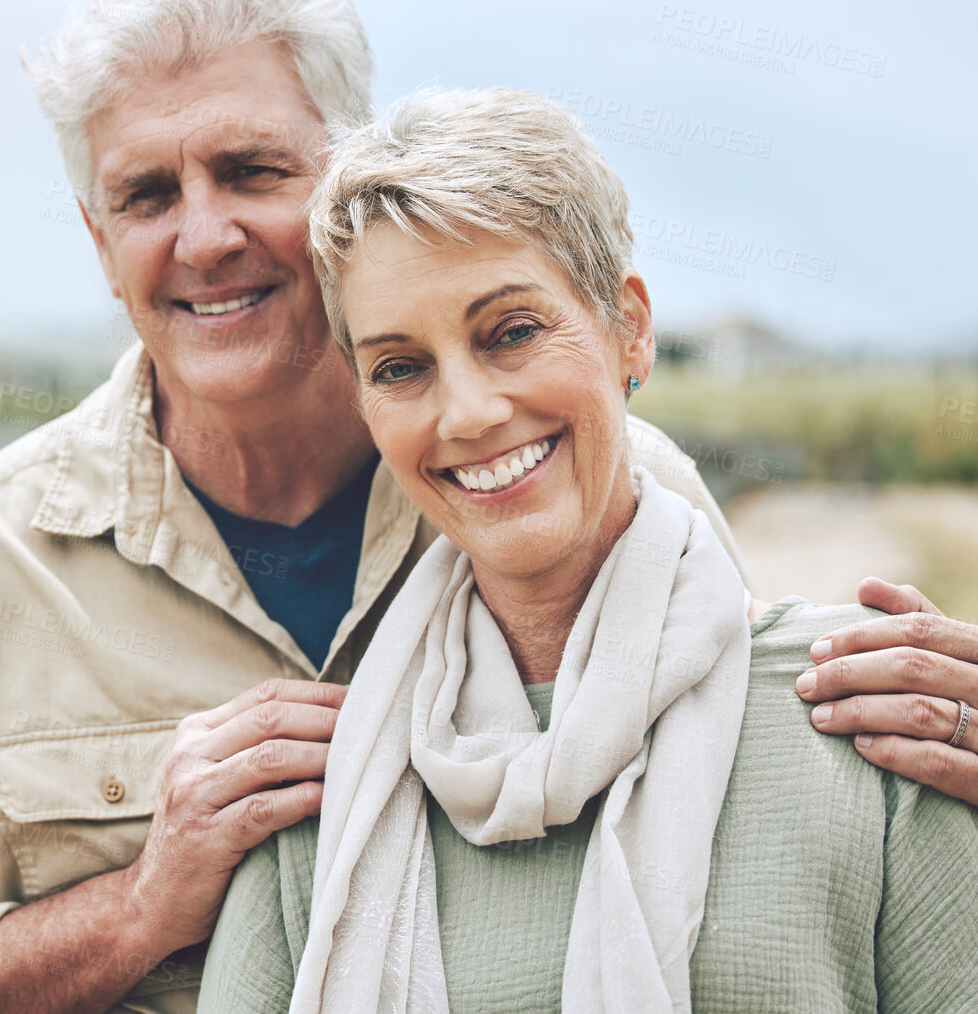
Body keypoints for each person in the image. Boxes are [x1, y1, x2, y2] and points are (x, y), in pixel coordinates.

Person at [0, 0, 978, 1014]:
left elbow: (741, 780)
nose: (204, 236)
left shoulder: (572, 476)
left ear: (344, 173)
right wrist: (140, 911)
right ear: (97, 242)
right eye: (145, 195)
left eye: (249, 170)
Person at [197, 88, 978, 1012]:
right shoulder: (327, 799)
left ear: (628, 328)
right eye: (400, 366)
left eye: (513, 332)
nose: (469, 412)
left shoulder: (873, 720)